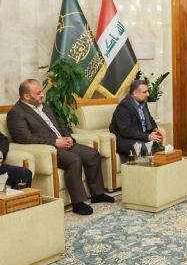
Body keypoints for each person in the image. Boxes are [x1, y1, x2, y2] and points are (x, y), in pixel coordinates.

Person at [7, 79, 113, 216]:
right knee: (74, 160)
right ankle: (78, 203)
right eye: (38, 93)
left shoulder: (45, 107)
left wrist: (68, 138)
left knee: (92, 154)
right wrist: (55, 142)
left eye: (41, 92)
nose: (42, 95)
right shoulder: (16, 113)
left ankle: (97, 194)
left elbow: (60, 125)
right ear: (26, 96)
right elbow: (25, 138)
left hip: (63, 143)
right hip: (48, 148)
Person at [110, 79, 164, 163]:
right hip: (125, 139)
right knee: (145, 148)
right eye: (145, 92)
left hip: (139, 137)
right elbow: (126, 131)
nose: (148, 94)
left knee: (158, 148)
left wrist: (155, 129)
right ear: (135, 93)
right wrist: (148, 137)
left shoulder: (143, 103)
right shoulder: (124, 106)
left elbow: (150, 118)